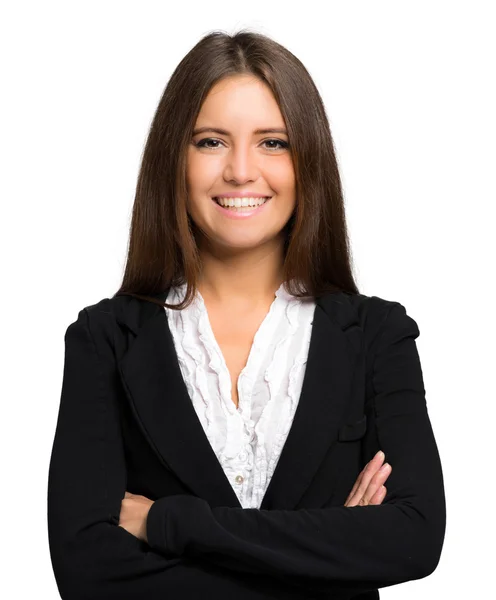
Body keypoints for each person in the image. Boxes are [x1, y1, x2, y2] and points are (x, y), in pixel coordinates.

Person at [47, 29, 446, 600]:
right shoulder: (104, 340)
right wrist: (330, 561)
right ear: (174, 160)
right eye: (210, 141)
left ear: (308, 159)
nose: (240, 171)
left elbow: (413, 539)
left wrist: (168, 523)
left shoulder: (377, 337)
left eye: (273, 142)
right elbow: (87, 572)